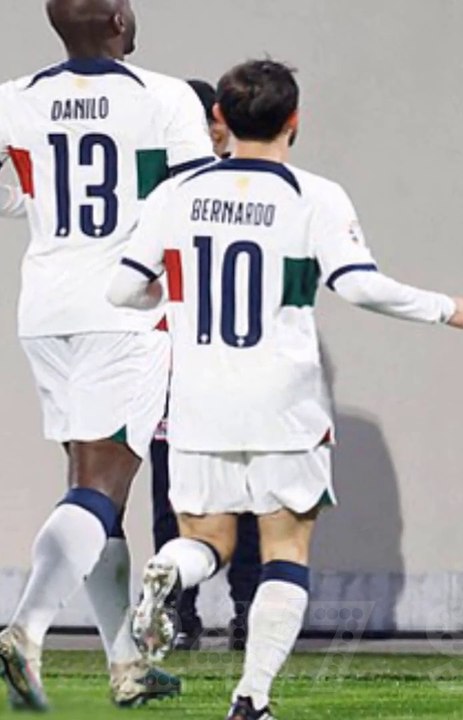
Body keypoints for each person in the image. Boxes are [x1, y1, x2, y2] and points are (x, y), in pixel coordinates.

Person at [110, 58, 463, 720]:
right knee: (286, 549)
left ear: (219, 123)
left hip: (198, 402)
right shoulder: (314, 197)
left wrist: (166, 293)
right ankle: (252, 697)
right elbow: (359, 285)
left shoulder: (173, 197)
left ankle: (171, 571)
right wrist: (445, 307)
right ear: (295, 122)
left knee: (207, 541)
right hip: (283, 403)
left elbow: (122, 290)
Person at [0, 0, 214, 709]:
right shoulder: (164, 97)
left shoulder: (14, 99)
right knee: (100, 484)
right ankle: (24, 628)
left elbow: (16, 192)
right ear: (119, 20)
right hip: (122, 310)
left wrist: (33, 201)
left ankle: (124, 662)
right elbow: (193, 204)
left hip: (45, 309)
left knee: (93, 487)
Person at [149, 78, 261, 652]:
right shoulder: (162, 189)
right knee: (173, 492)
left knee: (244, 493)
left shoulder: (250, 183)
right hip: (176, 359)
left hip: (227, 360)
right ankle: (175, 612)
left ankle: (246, 608)